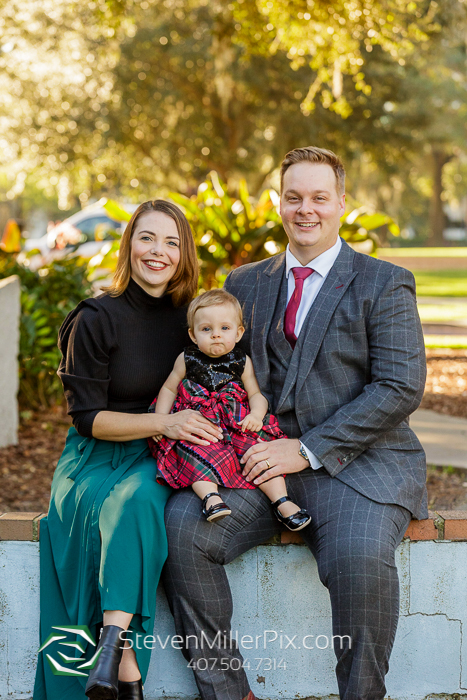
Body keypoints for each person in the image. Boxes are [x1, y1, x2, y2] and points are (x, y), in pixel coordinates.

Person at [162, 146, 427, 700]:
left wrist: (306, 449)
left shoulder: (385, 282)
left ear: (341, 203)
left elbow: (400, 386)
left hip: (358, 465)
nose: (305, 209)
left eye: (318, 197)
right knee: (184, 528)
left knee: (359, 561)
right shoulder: (245, 282)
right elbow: (222, 371)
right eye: (293, 197)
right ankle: (229, 692)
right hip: (256, 462)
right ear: (279, 203)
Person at [33, 200, 222, 700]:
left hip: (163, 453)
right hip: (97, 455)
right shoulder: (95, 318)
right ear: (129, 245)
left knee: (136, 502)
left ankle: (114, 651)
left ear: (184, 255)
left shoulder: (194, 321)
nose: (158, 252)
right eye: (148, 238)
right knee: (118, 505)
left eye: (172, 242)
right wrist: (165, 422)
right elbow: (88, 419)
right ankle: (126, 668)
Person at [149, 288, 311, 530]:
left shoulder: (242, 361)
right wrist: (160, 419)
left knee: (259, 452)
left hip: (236, 421)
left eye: (224, 328)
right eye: (207, 329)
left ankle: (282, 501)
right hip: (201, 423)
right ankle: (211, 499)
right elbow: (169, 389)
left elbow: (256, 394)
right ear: (193, 335)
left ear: (238, 332)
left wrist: (256, 415)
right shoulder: (186, 359)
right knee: (196, 449)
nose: (216, 335)